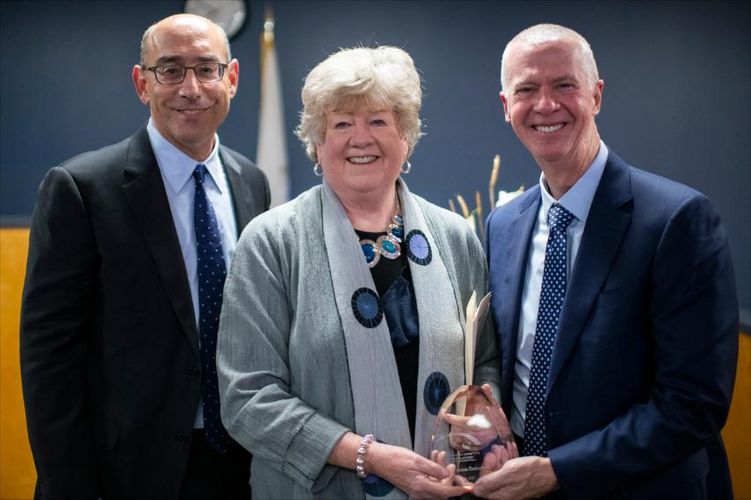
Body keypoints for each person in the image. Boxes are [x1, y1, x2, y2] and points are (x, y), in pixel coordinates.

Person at [216, 45, 500, 499]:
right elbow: (247, 398)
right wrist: (368, 456)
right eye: (342, 123)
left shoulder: (455, 238)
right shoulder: (271, 243)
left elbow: (484, 362)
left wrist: (486, 428)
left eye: (378, 121)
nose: (360, 138)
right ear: (317, 142)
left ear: (405, 136)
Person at [476, 24, 739, 499]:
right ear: (505, 107)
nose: (546, 105)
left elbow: (693, 404)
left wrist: (557, 470)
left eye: (565, 86)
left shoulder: (676, 220)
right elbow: (510, 367)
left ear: (596, 96)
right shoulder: (503, 226)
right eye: (527, 89)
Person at [20, 14, 269, 499]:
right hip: (126, 470)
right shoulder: (81, 188)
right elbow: (49, 360)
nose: (190, 88)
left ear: (232, 78)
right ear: (142, 83)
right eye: (170, 70)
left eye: (207, 69)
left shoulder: (251, 182)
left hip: (243, 460)